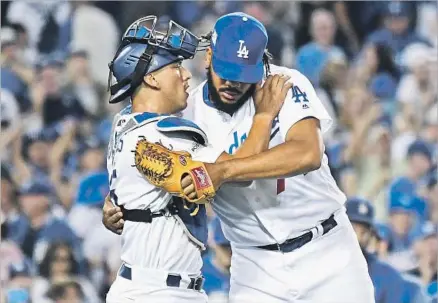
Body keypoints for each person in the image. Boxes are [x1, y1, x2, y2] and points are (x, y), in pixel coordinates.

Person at [103, 12, 374, 302]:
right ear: (208, 58)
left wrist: (224, 170)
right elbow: (143, 153)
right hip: (254, 267)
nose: (232, 83)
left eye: (242, 75)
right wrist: (122, 203)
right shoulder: (186, 110)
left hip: (327, 249)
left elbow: (308, 153)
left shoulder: (282, 84)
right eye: (226, 71)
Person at [104, 15, 292, 303]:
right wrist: (264, 115)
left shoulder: (124, 124)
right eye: (175, 66)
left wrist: (116, 208)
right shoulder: (163, 133)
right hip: (155, 292)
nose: (186, 75)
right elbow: (242, 171)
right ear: (151, 77)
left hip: (161, 287)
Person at [345, 197, 427, 303]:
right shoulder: (321, 263)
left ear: (370, 234)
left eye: (364, 232)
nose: (358, 237)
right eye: (353, 229)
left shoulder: (385, 275)